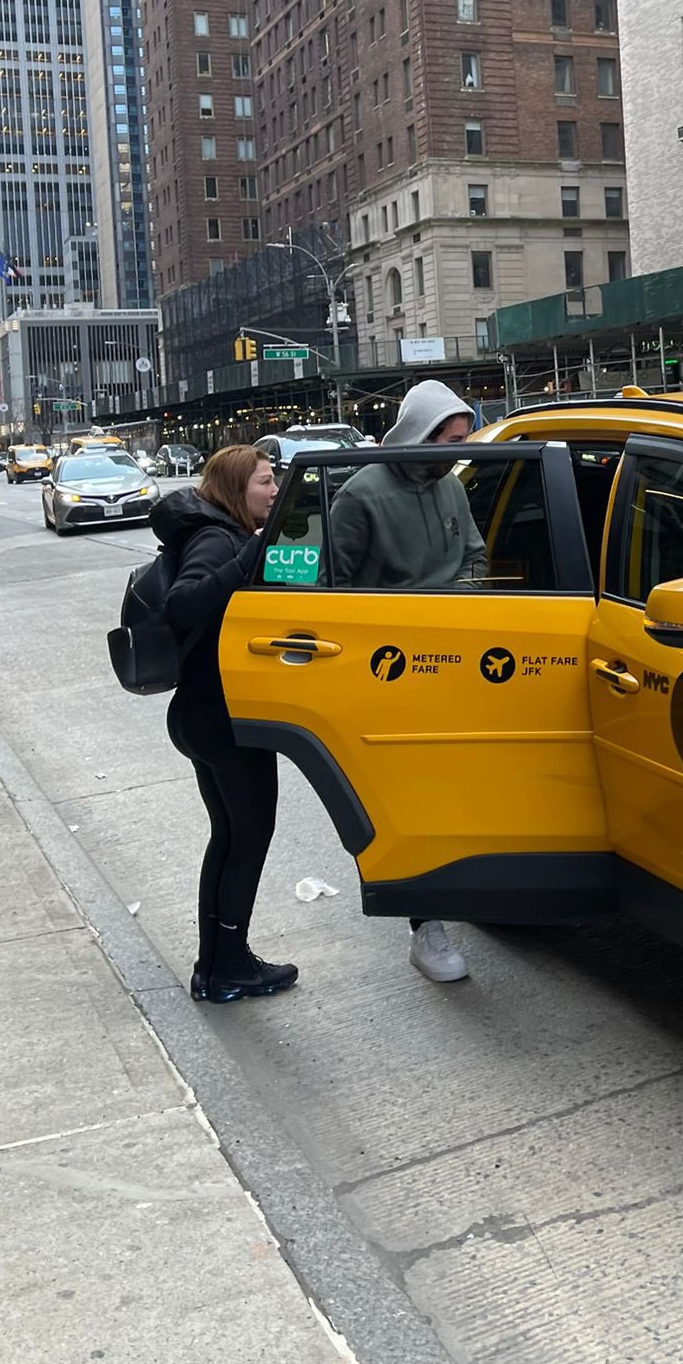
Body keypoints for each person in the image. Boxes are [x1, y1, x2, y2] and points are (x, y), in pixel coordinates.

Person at [329, 380, 486, 984]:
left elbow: (475, 553)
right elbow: (342, 592)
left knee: (459, 788)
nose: (459, 451)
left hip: (461, 658)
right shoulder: (360, 495)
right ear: (421, 434)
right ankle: (427, 926)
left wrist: (463, 598)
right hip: (395, 669)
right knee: (413, 799)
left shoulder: (450, 484)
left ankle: (466, 892)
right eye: (450, 439)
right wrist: (417, 613)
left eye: (463, 439)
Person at [152, 445, 298, 1005]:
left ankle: (217, 965)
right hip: (223, 717)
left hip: (209, 713)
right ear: (239, 488)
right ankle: (226, 965)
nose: (274, 489)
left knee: (233, 836)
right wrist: (248, 558)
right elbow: (183, 605)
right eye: (266, 481)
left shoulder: (228, 534)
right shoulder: (218, 538)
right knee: (249, 836)